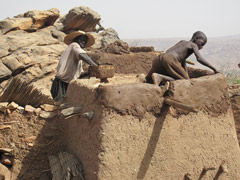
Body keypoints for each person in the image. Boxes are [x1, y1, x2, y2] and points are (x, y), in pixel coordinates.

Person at [145, 31, 218, 86]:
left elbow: (182, 61)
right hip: (169, 59)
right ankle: (160, 77)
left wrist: (186, 74)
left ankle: (144, 79)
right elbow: (199, 58)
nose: (201, 47)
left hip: (159, 59)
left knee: (149, 80)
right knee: (185, 81)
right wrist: (214, 68)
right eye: (202, 44)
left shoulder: (182, 42)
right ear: (196, 38)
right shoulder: (193, 45)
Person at [50, 30, 98, 102]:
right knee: (60, 108)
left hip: (68, 84)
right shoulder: (74, 45)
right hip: (61, 84)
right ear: (76, 40)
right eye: (81, 39)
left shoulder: (76, 57)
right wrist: (95, 65)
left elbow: (78, 74)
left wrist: (89, 72)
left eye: (85, 41)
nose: (83, 42)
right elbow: (82, 54)